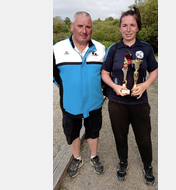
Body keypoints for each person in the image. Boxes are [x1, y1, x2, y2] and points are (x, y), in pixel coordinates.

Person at [101, 6, 158, 185]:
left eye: (132, 25)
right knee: (120, 136)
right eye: (124, 25)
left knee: (144, 137)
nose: (128, 29)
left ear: (138, 27)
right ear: (120, 28)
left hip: (140, 103)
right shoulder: (114, 49)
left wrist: (145, 84)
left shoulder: (146, 48)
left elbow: (155, 70)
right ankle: (123, 162)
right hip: (117, 103)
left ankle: (147, 165)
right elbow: (104, 73)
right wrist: (114, 87)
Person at [53, 11, 106, 178]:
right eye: (80, 26)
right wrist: (69, 88)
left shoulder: (101, 49)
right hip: (70, 104)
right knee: (72, 133)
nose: (84, 30)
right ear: (72, 27)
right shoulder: (57, 49)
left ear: (92, 28)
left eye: (88, 26)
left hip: (94, 103)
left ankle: (93, 156)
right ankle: (77, 158)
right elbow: (55, 75)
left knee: (93, 132)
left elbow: (105, 75)